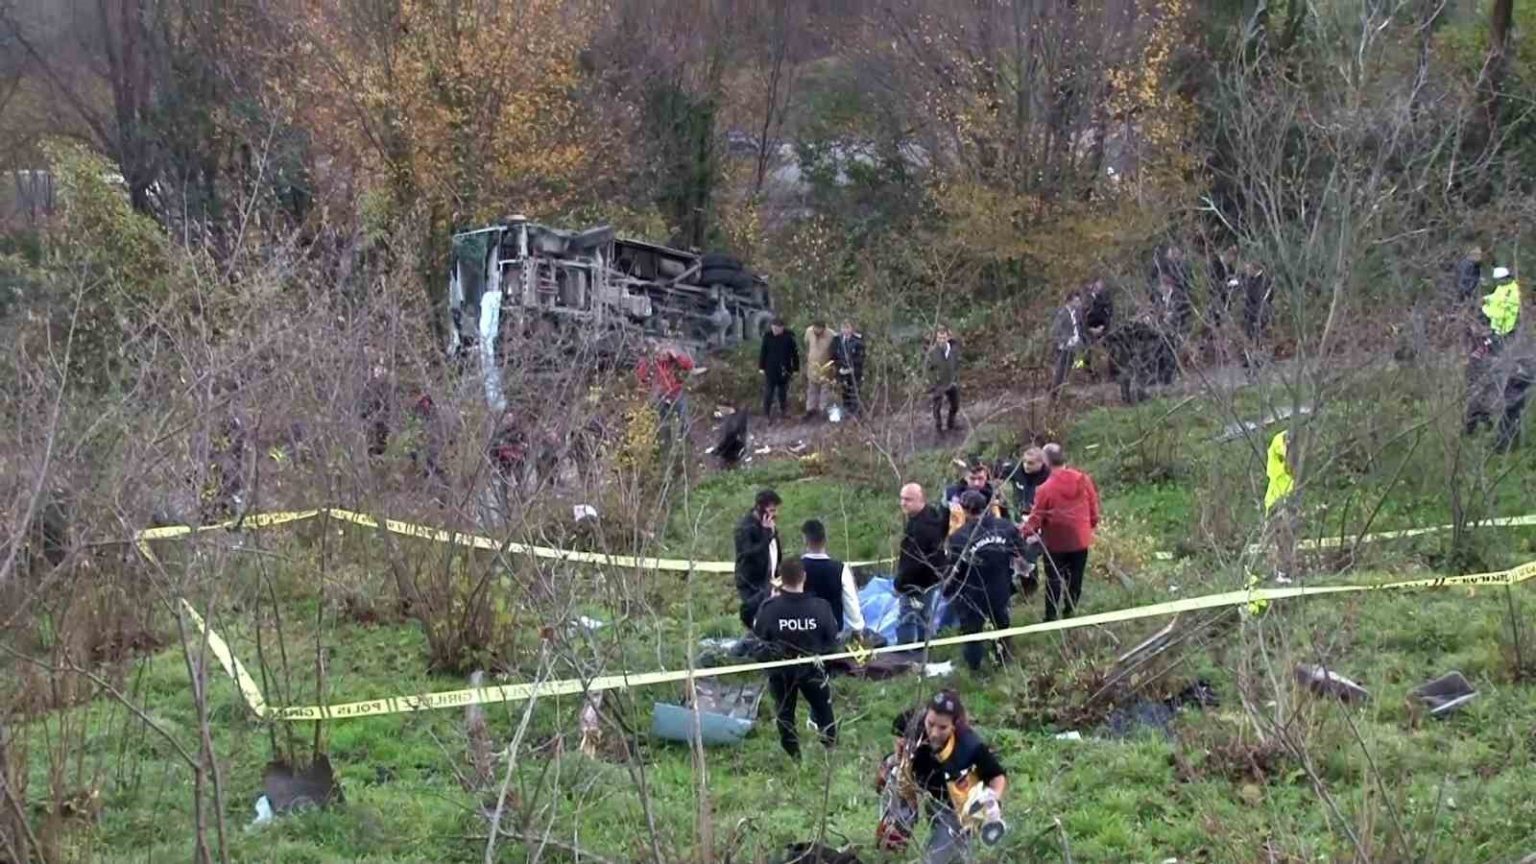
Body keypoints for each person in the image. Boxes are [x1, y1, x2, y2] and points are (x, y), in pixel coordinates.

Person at [885, 691, 1008, 863]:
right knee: (891, 776)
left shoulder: (969, 746)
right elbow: (897, 728)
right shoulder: (914, 722)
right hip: (916, 784)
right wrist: (900, 754)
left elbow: (998, 776)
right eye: (930, 724)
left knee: (935, 859)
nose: (934, 733)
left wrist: (993, 799)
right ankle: (892, 845)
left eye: (942, 728)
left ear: (954, 725)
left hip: (953, 806)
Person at [753, 558, 838, 760]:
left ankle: (793, 756)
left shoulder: (769, 608)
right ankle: (830, 749)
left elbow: (759, 638)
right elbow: (832, 638)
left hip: (780, 672)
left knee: (785, 713)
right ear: (804, 577)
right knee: (823, 709)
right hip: (814, 669)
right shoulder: (821, 607)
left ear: (781, 579)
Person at [945, 491, 1027, 672]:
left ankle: (974, 668)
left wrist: (948, 591)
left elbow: (954, 570)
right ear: (987, 507)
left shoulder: (958, 538)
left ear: (964, 510)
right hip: (1000, 587)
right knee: (1001, 624)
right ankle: (1003, 659)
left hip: (972, 592)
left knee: (972, 632)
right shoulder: (1006, 527)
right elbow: (1021, 553)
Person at [1020, 443, 1100, 621]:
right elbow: (1093, 507)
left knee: (1054, 580)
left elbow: (1036, 518)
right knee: (1075, 578)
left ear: (1046, 461)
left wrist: (1022, 533)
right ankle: (1070, 611)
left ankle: (1051, 617)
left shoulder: (1045, 489)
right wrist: (1091, 526)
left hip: (1056, 543)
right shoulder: (1083, 480)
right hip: (1080, 540)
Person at [897, 483, 950, 641]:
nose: (903, 503)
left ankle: (905, 650)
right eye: (902, 499)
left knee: (908, 616)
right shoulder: (928, 516)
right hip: (929, 580)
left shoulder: (922, 527)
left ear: (920, 500)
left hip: (917, 584)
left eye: (908, 499)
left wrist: (900, 583)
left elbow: (914, 561)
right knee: (923, 615)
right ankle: (924, 646)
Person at [800, 519, 866, 636]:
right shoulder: (840, 569)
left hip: (802, 630)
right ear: (825, 539)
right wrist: (858, 627)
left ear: (805, 540)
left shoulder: (796, 567)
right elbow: (850, 601)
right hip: (832, 631)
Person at [734, 489, 782, 629]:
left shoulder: (770, 526)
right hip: (752, 584)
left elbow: (776, 553)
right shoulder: (745, 528)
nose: (775, 514)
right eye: (771, 510)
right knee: (757, 620)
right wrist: (766, 535)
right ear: (760, 509)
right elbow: (747, 553)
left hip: (770, 581)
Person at [636, 340, 695, 446]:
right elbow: (641, 376)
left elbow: (689, 365)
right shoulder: (652, 363)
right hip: (660, 395)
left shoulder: (674, 361)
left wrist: (677, 357)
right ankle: (666, 444)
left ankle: (686, 443)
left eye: (665, 353)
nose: (663, 355)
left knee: (683, 418)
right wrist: (646, 361)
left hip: (676, 392)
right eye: (660, 352)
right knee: (663, 422)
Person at [1265, 429, 1298, 583]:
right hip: (1276, 502)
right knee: (1279, 539)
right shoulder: (1278, 445)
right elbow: (1279, 446)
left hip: (1287, 501)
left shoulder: (1292, 471)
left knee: (1287, 539)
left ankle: (1286, 572)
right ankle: (1279, 572)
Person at [944, 461, 1008, 535]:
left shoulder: (995, 494)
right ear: (965, 477)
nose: (976, 483)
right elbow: (942, 521)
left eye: (980, 478)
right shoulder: (952, 493)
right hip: (959, 534)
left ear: (986, 476)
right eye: (972, 479)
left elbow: (1006, 521)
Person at [758, 317, 800, 422]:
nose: (775, 330)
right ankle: (766, 414)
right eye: (773, 328)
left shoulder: (789, 337)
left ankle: (783, 411)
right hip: (770, 369)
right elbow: (763, 352)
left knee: (783, 392)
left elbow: (795, 354)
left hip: (784, 368)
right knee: (769, 392)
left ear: (782, 328)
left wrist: (796, 368)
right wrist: (761, 367)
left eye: (777, 328)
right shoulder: (767, 336)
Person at [926, 325, 961, 434]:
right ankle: (939, 428)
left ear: (948, 337)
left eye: (943, 338)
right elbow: (928, 369)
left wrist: (956, 379)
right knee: (937, 408)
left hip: (951, 382)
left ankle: (951, 424)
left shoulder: (953, 350)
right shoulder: (932, 352)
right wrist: (933, 383)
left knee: (955, 405)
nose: (941, 341)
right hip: (939, 383)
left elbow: (957, 365)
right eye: (939, 338)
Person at [1049, 291, 1085, 396]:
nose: (1079, 303)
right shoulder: (1062, 314)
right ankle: (1055, 391)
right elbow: (1056, 331)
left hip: (1075, 346)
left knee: (1075, 366)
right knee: (1060, 371)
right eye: (1076, 301)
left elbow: (1080, 328)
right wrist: (1067, 340)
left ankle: (1064, 388)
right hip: (1064, 347)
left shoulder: (1077, 313)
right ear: (1070, 301)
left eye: (1079, 301)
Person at [832, 321, 866, 418]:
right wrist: (839, 367)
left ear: (852, 329)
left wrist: (851, 367)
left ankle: (856, 413)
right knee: (844, 392)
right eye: (843, 328)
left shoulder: (858, 341)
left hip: (855, 371)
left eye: (847, 328)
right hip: (842, 371)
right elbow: (834, 355)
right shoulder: (837, 340)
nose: (845, 330)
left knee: (854, 392)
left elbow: (861, 357)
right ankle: (846, 412)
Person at [804, 320, 836, 419]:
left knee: (825, 389)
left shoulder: (831, 335)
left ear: (823, 328)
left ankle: (823, 410)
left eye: (819, 328)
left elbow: (834, 351)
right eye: (815, 328)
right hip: (812, 365)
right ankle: (810, 410)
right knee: (811, 388)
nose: (817, 330)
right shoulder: (809, 331)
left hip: (825, 365)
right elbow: (806, 345)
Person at [1082, 279, 1114, 379]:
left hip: (1102, 329)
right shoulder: (1085, 299)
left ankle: (1111, 373)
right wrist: (1089, 329)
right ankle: (1086, 371)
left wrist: (1103, 327)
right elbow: (1081, 317)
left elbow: (1109, 314)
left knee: (1109, 349)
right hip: (1088, 330)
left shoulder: (1104, 298)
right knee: (1087, 352)